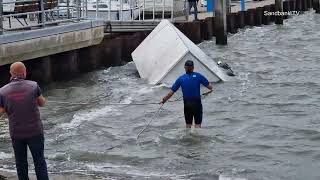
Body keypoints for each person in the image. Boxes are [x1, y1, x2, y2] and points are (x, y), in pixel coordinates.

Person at [0, 62, 49, 180]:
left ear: (11, 73)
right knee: (39, 161)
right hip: (35, 132)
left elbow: (1, 111)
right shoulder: (33, 86)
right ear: (24, 72)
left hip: (16, 133)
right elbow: (42, 103)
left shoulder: (2, 91)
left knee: (21, 163)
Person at [160, 60, 213, 128]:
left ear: (185, 67)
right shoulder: (199, 76)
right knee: (198, 125)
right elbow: (210, 87)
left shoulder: (181, 78)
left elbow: (171, 93)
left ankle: (187, 137)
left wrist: (164, 100)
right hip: (197, 103)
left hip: (187, 104)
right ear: (193, 67)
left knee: (188, 125)